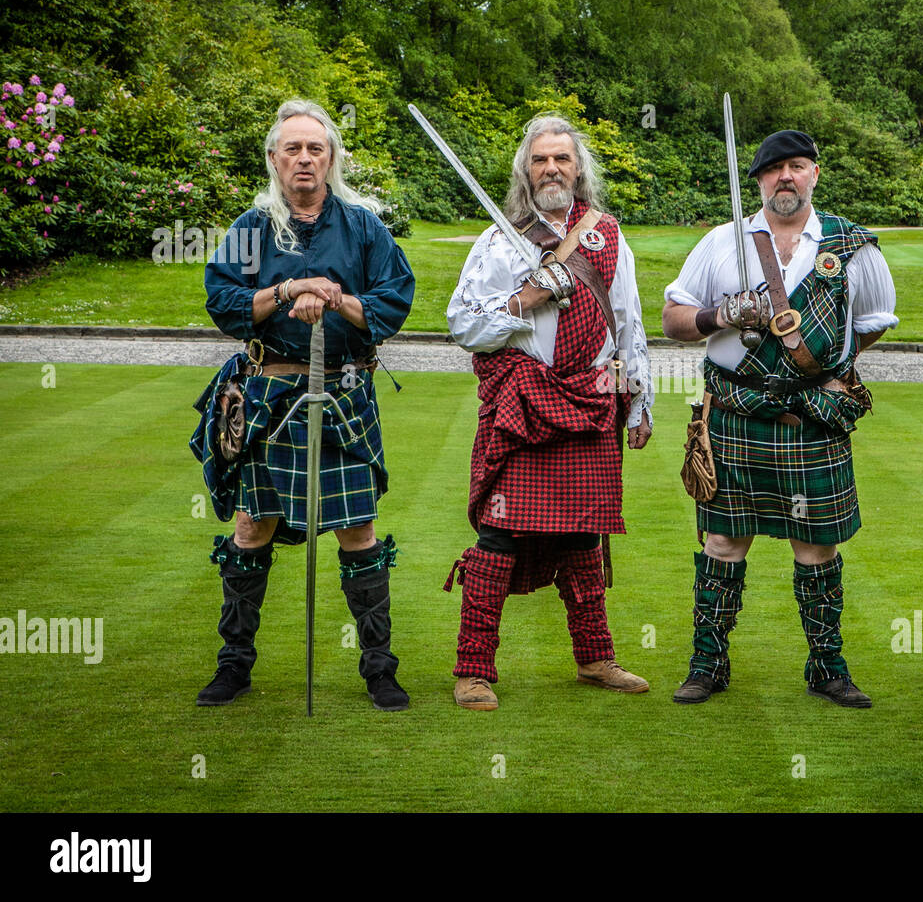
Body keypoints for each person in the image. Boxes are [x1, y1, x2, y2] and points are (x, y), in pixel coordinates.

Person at [190, 99, 415, 711]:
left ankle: (380, 669)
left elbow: (393, 306)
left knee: (357, 527)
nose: (305, 158)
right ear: (274, 158)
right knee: (251, 524)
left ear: (332, 158)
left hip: (342, 392)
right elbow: (223, 302)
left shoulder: (364, 227)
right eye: (293, 148)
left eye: (316, 148)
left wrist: (334, 298)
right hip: (267, 391)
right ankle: (234, 666)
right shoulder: (251, 228)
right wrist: (290, 289)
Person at [662, 129, 898, 708]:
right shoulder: (723, 241)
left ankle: (827, 666)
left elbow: (874, 318)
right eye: (774, 170)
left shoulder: (850, 247)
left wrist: (825, 370)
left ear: (815, 172)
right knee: (721, 540)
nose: (785, 178)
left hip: (812, 418)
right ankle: (707, 663)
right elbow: (671, 317)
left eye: (797, 166)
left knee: (816, 547)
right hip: (736, 413)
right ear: (760, 182)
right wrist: (722, 314)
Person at [443, 114, 654, 711]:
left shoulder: (608, 235)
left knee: (585, 534)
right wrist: (531, 296)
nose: (552, 169)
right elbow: (464, 324)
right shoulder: (499, 241)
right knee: (499, 534)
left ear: (578, 168)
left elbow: (629, 322)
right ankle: (473, 668)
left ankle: (595, 658)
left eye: (562, 159)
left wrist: (639, 401)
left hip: (591, 401)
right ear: (525, 172)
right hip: (524, 402)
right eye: (540, 160)